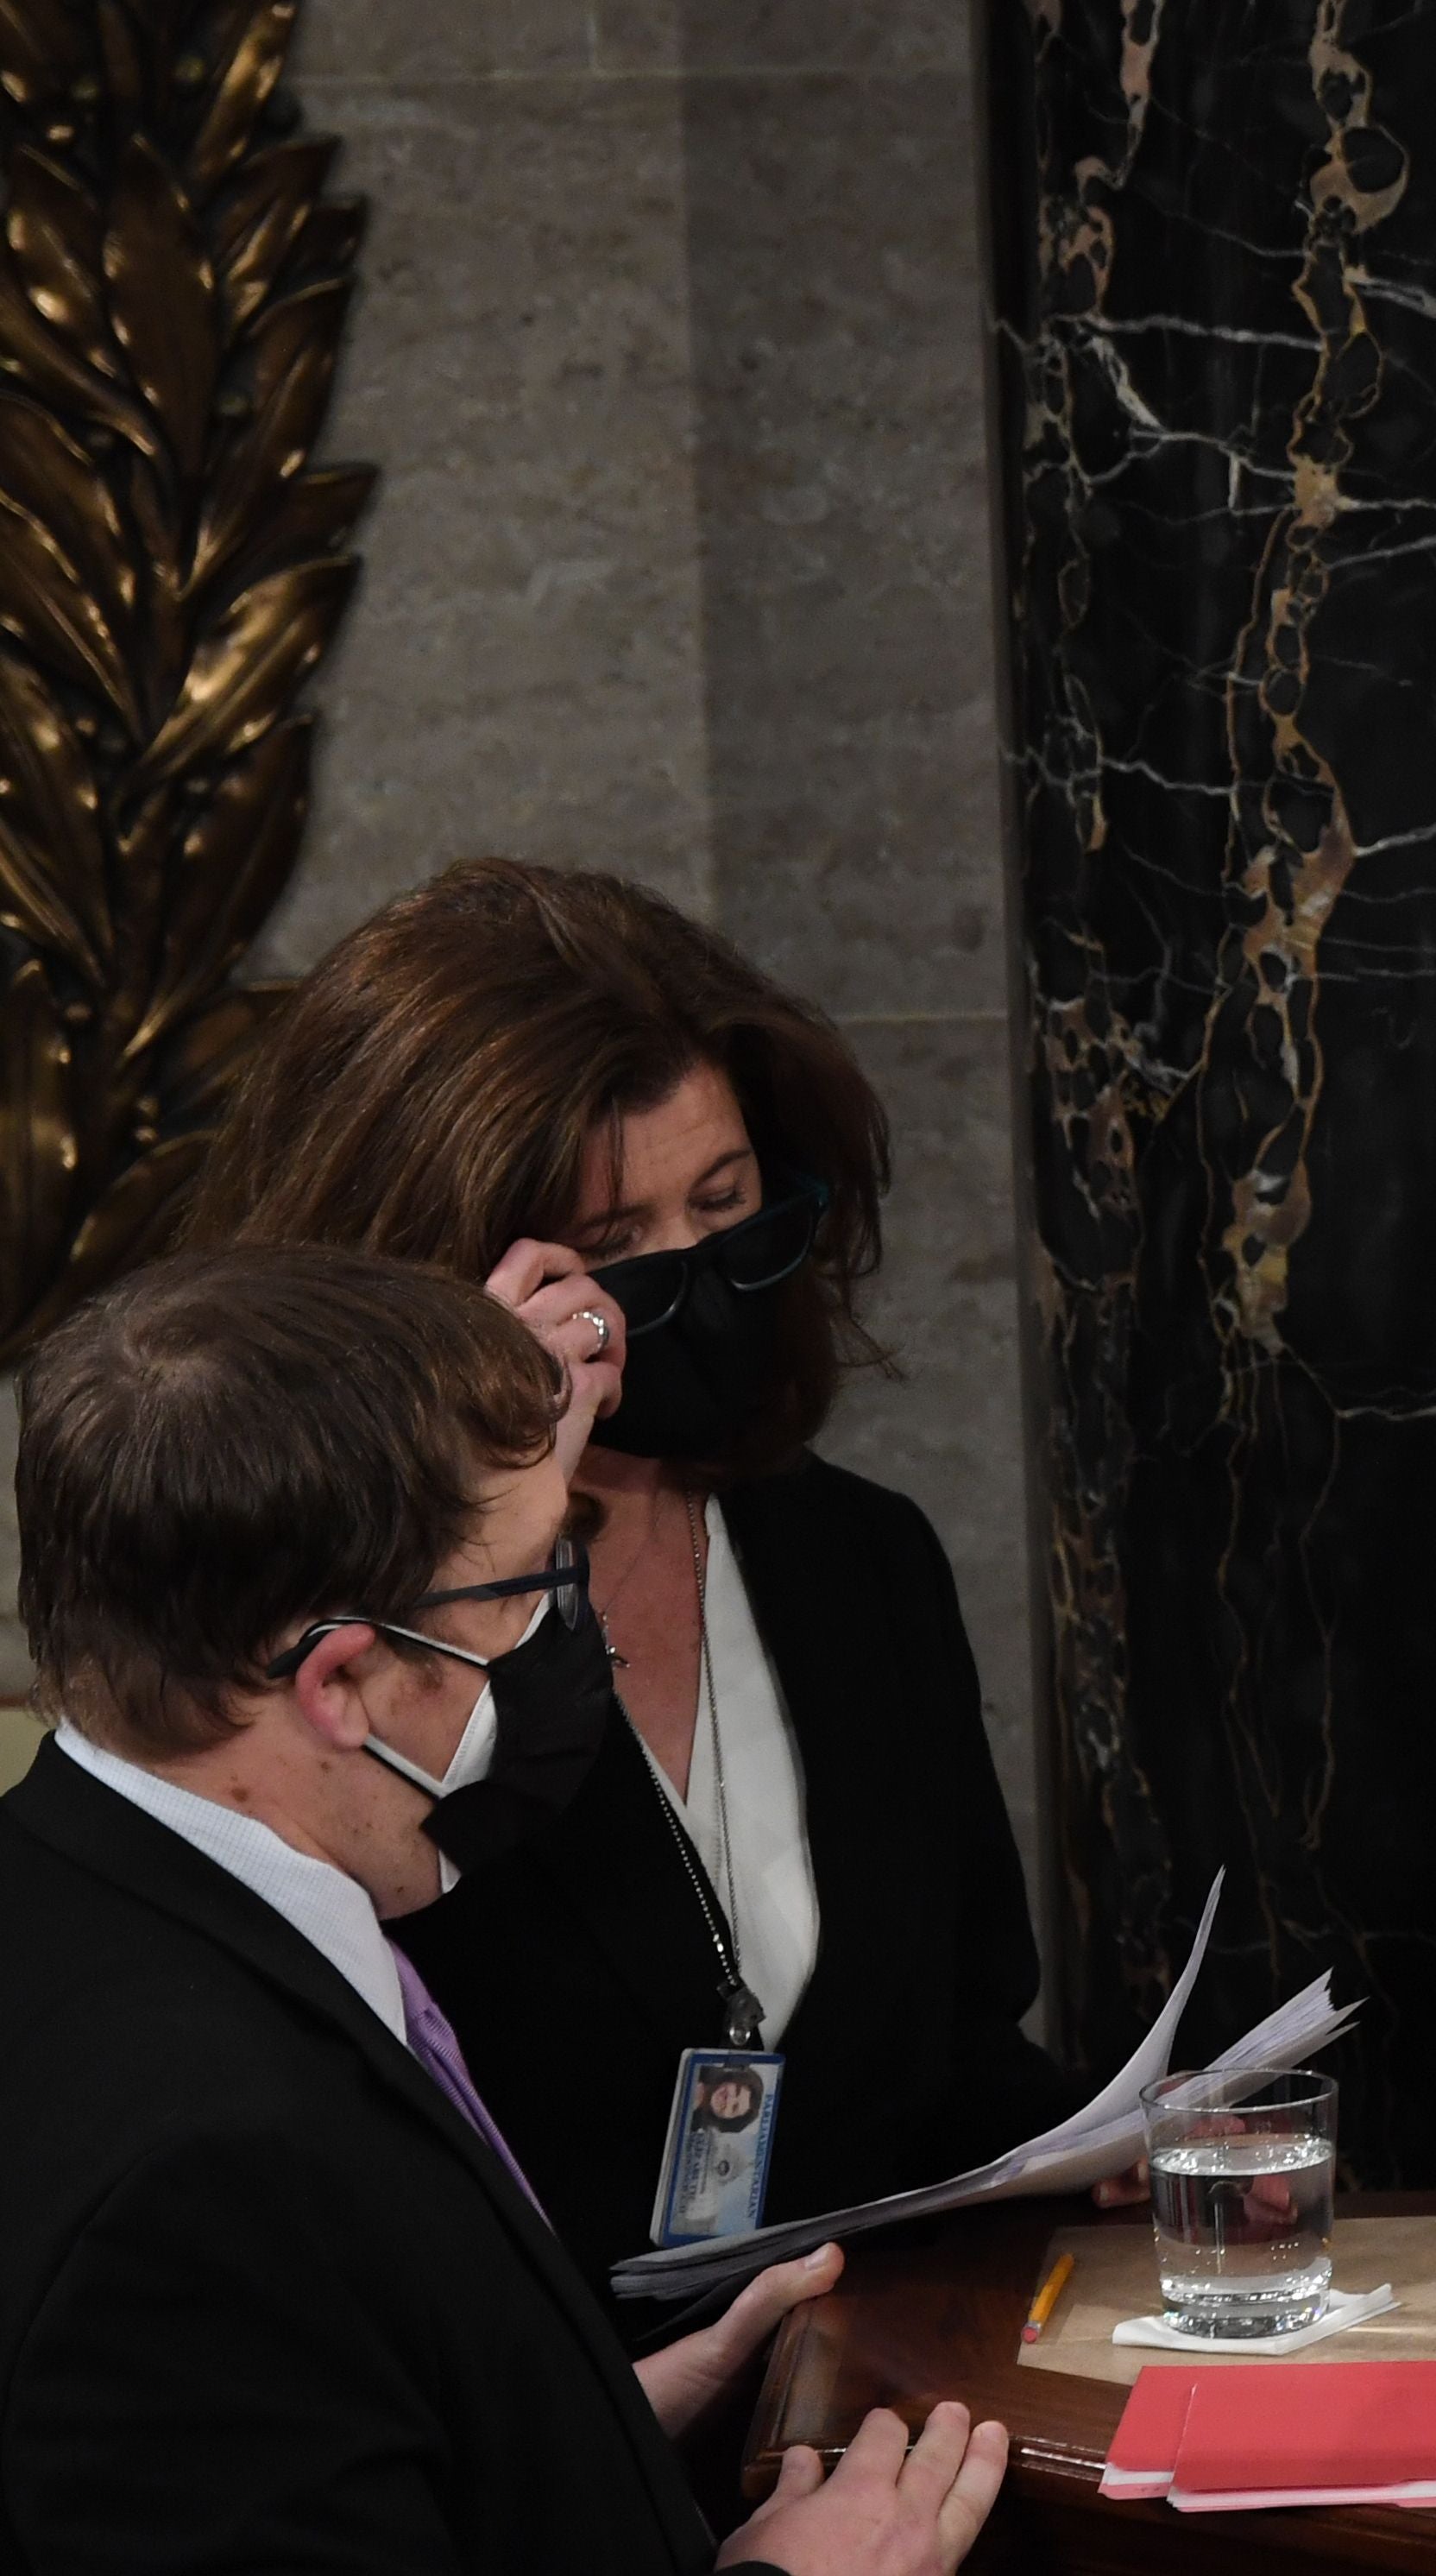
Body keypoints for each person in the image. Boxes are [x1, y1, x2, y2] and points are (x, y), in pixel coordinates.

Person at [0, 1243, 1003, 2571]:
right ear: (341, 1680)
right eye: (527, 1589)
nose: (561, 1639)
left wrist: (580, 2422)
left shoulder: (76, 1888)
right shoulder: (201, 2186)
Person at [181, 859, 1078, 2325]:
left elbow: (954, 2052)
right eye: (611, 1254)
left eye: (724, 1207)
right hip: (526, 2449)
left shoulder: (862, 1560)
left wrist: (1078, 2151)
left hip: (873, 2406)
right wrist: (460, 1472)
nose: (694, 1280)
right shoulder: (332, 1646)